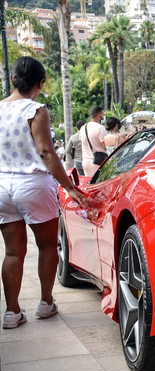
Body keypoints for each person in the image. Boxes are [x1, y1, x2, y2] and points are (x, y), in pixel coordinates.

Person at [0, 56, 88, 329]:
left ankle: (12, 313)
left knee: (13, 252)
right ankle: (45, 303)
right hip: (33, 185)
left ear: (13, 79)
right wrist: (70, 188)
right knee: (48, 245)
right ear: (39, 83)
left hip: (2, 185)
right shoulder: (36, 110)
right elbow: (46, 152)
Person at [80, 105, 108, 178]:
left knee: (90, 186)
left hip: (86, 162)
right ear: (99, 116)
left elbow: (82, 144)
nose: (103, 117)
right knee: (101, 186)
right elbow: (105, 146)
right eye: (103, 115)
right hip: (98, 163)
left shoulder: (83, 128)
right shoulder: (100, 128)